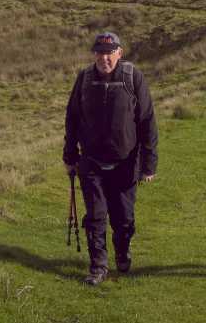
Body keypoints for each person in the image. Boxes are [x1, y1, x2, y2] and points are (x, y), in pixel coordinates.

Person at [63, 31, 158, 285]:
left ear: (119, 52)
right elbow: (72, 118)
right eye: (100, 53)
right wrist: (70, 155)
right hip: (91, 161)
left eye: (110, 52)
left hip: (125, 163)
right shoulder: (84, 79)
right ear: (94, 54)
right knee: (95, 216)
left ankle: (122, 249)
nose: (105, 58)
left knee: (123, 219)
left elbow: (147, 121)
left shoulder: (132, 77)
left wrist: (149, 164)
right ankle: (98, 267)